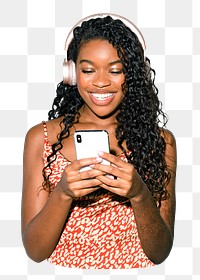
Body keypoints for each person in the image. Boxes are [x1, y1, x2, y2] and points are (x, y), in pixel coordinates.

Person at [21, 13, 177, 269]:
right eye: (88, 70)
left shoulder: (161, 141)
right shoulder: (42, 137)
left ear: (133, 74)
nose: (102, 82)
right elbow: (35, 251)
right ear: (71, 73)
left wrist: (139, 194)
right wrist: (63, 193)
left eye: (115, 70)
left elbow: (159, 253)